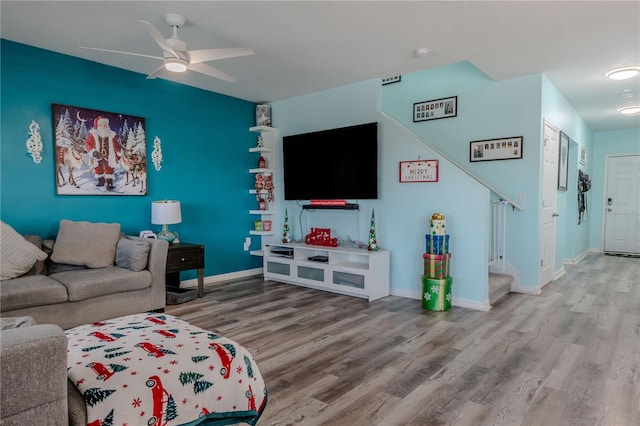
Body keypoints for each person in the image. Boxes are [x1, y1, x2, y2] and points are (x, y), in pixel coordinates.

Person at [85, 116, 122, 190]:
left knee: (110, 168)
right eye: (102, 124)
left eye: (105, 124)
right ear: (98, 125)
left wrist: (118, 152)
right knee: (98, 168)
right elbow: (88, 144)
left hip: (109, 155)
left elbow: (116, 144)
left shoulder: (111, 135)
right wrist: (93, 151)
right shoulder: (93, 134)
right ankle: (101, 181)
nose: (104, 126)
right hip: (98, 155)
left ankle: (110, 183)